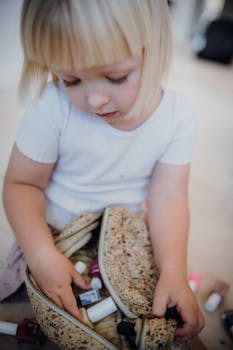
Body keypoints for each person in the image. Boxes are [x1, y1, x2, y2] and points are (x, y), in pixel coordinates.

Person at [1, 0, 204, 343]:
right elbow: (21, 185)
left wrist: (173, 271)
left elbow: (169, 197)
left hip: (125, 241)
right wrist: (41, 255)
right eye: (71, 79)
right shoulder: (51, 107)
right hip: (51, 236)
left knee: (156, 323)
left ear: (154, 46)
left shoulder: (177, 117)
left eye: (116, 77)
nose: (95, 99)